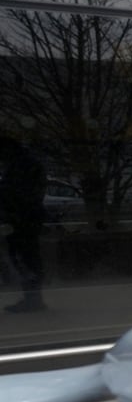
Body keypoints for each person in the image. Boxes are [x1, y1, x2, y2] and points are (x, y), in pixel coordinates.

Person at [0, 134, 49, 313]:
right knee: (27, 258)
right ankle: (33, 298)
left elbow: (16, 193)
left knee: (24, 259)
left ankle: (32, 299)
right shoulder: (27, 163)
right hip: (26, 218)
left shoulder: (20, 166)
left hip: (22, 219)